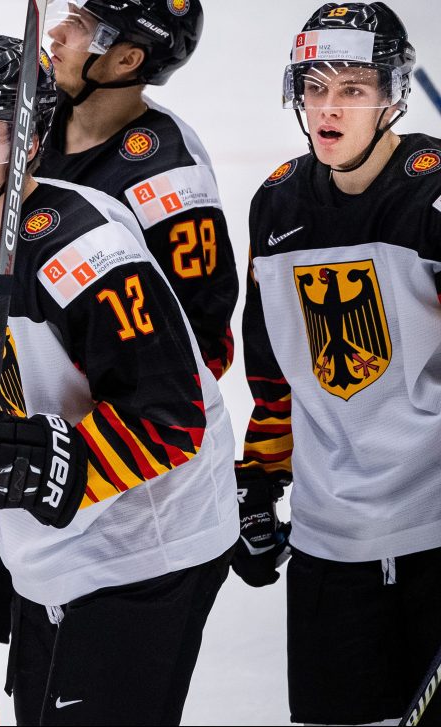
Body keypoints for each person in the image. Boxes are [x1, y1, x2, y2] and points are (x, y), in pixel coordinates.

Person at [0, 2, 239, 723]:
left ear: (29, 143)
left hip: (149, 537)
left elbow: (174, 409)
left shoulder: (90, 249)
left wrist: (55, 461)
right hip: (52, 531)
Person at [235, 3, 441, 724]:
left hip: (433, 532)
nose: (328, 107)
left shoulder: (433, 196)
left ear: (391, 94)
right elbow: (273, 375)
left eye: (352, 88)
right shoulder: (277, 204)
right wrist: (258, 482)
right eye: (314, 87)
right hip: (330, 544)